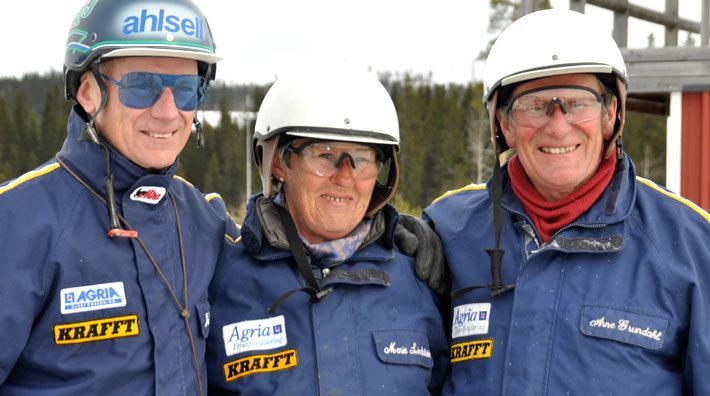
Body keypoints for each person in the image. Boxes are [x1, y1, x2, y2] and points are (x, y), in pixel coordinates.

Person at [422, 8, 710, 395]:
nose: (558, 126)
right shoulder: (446, 232)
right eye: (535, 106)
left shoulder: (689, 245)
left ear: (611, 114)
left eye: (577, 103)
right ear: (504, 125)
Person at [0, 0, 233, 394]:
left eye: (187, 90)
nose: (167, 111)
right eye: (141, 87)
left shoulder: (205, 222)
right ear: (89, 93)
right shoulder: (17, 222)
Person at [206, 67, 449, 395]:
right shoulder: (221, 276)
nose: (345, 177)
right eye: (325, 155)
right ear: (279, 163)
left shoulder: (420, 277)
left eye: (361, 159)